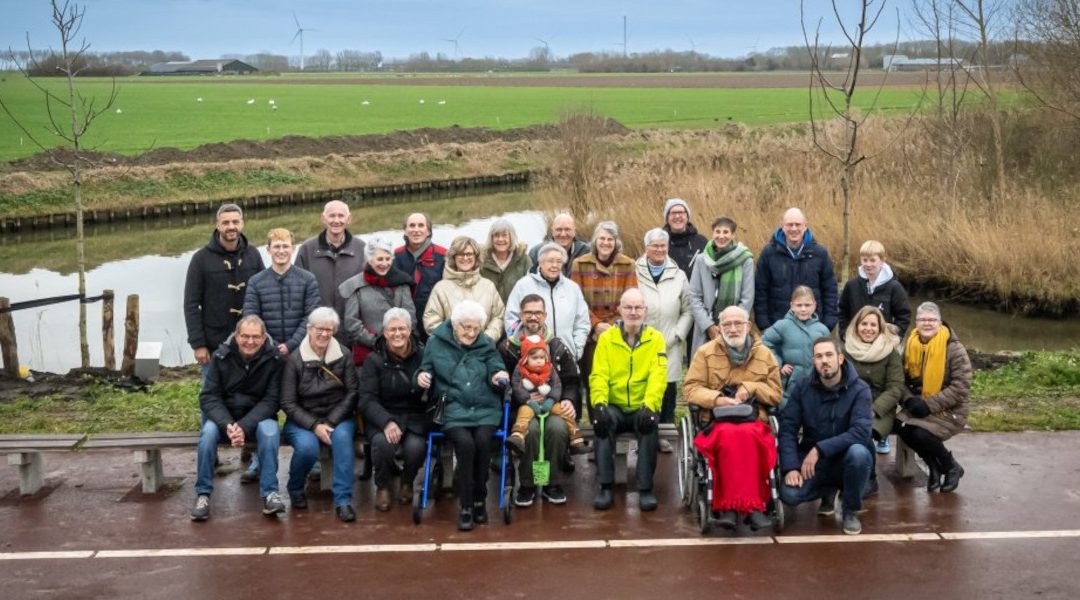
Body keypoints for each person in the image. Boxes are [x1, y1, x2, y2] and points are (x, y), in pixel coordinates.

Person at [683, 306, 782, 531]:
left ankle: (753, 507)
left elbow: (776, 394)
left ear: (748, 326)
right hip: (718, 420)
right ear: (719, 328)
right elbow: (690, 389)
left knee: (750, 436)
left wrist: (750, 387)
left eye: (738, 323)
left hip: (754, 419)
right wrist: (717, 399)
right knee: (728, 436)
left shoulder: (765, 355)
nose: (733, 328)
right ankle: (727, 506)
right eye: (727, 324)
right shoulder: (705, 352)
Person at [416, 300, 509, 531]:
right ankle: (466, 505)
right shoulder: (436, 342)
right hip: (453, 408)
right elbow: (424, 368)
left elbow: (496, 367)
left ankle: (480, 498)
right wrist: (422, 377)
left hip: (485, 407)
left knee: (483, 441)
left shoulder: (486, 343)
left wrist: (498, 375)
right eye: (466, 327)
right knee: (465, 444)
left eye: (476, 328)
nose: (471, 333)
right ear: (454, 325)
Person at [191, 315, 284, 521]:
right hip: (225, 418)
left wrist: (244, 425)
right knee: (207, 435)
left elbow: (272, 400)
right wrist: (228, 425)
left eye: (255, 337)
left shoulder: (275, 359)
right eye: (245, 336)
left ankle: (270, 493)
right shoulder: (221, 356)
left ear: (263, 337)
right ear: (236, 334)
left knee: (270, 433)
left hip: (259, 417)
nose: (250, 342)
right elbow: (208, 397)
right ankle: (203, 494)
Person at [779, 337, 874, 536]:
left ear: (840, 359)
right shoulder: (803, 388)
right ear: (813, 361)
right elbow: (787, 428)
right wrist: (790, 467)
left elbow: (861, 432)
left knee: (859, 453)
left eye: (829, 355)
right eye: (819, 356)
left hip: (845, 458)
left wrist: (820, 449)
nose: (824, 360)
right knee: (789, 494)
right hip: (813, 463)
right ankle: (827, 491)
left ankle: (850, 510)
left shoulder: (860, 390)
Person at [498, 294, 582, 507]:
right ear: (521, 315)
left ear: (545, 316)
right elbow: (502, 380)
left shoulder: (557, 346)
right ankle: (527, 484)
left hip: (552, 406)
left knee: (556, 428)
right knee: (532, 431)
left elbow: (571, 380)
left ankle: (550, 483)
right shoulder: (507, 347)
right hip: (522, 408)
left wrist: (569, 400)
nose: (533, 317)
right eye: (528, 312)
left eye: (537, 312)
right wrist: (522, 398)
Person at [590, 288, 667, 512]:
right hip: (614, 404)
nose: (633, 312)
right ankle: (605, 486)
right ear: (619, 310)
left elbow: (658, 376)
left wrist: (650, 405)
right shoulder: (606, 339)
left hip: (641, 405)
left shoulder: (656, 339)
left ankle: (645, 489)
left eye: (638, 307)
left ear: (645, 310)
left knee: (650, 427)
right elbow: (598, 375)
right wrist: (600, 405)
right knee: (601, 427)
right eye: (628, 307)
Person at [279, 307, 358, 523]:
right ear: (309, 329)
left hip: (337, 417)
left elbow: (352, 392)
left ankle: (343, 500)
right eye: (319, 329)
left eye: (329, 330)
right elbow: (287, 402)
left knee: (342, 440)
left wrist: (331, 421)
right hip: (302, 419)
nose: (324, 334)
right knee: (307, 448)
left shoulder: (344, 354)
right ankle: (295, 487)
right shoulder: (295, 360)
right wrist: (314, 425)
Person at [357, 308, 431, 512]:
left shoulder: (424, 355)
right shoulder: (373, 360)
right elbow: (367, 399)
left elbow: (435, 391)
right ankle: (382, 486)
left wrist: (427, 385)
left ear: (410, 330)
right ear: (385, 332)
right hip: (383, 415)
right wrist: (387, 422)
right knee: (382, 444)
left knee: (415, 447)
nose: (397, 334)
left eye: (402, 328)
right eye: (392, 330)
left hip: (416, 415)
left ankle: (407, 482)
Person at [897, 302, 971, 493]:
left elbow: (960, 387)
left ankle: (950, 466)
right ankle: (934, 467)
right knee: (902, 428)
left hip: (949, 409)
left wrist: (928, 405)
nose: (927, 323)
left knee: (920, 433)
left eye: (932, 320)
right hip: (919, 404)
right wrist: (908, 399)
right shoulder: (911, 345)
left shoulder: (955, 349)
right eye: (922, 319)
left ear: (940, 323)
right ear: (916, 322)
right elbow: (900, 379)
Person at [184, 203, 264, 372]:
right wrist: (198, 344)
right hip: (215, 343)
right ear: (217, 225)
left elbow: (264, 294)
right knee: (213, 394)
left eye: (235, 222)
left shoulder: (253, 255)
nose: (231, 227)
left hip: (250, 342)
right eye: (226, 222)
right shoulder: (200, 259)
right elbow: (191, 304)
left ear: (242, 223)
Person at [635, 228, 692, 453]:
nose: (659, 250)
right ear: (646, 247)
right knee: (642, 387)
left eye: (663, 246)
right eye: (654, 245)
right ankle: (644, 434)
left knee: (667, 388)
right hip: (640, 342)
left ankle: (664, 432)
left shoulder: (678, 275)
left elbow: (688, 310)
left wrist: (678, 334)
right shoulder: (635, 271)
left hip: (670, 341)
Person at [571, 221, 638, 414]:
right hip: (590, 333)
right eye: (602, 238)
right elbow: (577, 301)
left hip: (618, 330)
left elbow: (631, 300)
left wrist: (611, 326)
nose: (606, 243)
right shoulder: (580, 264)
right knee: (593, 379)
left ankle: (619, 421)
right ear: (595, 241)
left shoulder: (627, 264)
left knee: (618, 378)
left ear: (616, 242)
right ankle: (596, 421)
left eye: (610, 239)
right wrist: (596, 325)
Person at [504, 243, 591, 378]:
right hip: (532, 363)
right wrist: (524, 351)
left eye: (559, 261)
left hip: (565, 360)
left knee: (568, 395)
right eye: (550, 261)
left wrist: (576, 350)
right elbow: (512, 320)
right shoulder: (523, 285)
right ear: (540, 262)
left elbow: (582, 323)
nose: (555, 265)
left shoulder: (572, 288)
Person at [843, 306, 904, 493]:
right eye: (864, 324)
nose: (868, 328)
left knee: (863, 432)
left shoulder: (890, 351)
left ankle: (870, 477)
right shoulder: (846, 350)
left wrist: (874, 409)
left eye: (873, 325)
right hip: (850, 405)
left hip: (879, 408)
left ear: (880, 328)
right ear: (856, 326)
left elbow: (895, 388)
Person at [754, 207, 839, 332]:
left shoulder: (820, 253)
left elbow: (830, 291)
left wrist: (827, 324)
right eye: (789, 225)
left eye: (798, 224)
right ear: (782, 226)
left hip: (813, 327)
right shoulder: (769, 253)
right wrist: (764, 324)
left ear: (805, 226)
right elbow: (761, 290)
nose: (794, 229)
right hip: (778, 327)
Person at [294, 200, 367, 342]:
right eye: (332, 216)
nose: (336, 220)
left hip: (351, 331)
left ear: (349, 219)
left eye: (341, 216)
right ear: (323, 218)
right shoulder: (307, 249)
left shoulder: (362, 249)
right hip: (317, 331)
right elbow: (297, 290)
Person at [242, 228, 321, 357]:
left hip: (301, 351)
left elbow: (311, 316)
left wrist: (291, 344)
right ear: (268, 250)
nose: (281, 251)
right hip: (266, 352)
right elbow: (252, 317)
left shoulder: (308, 279)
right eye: (276, 246)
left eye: (285, 246)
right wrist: (272, 344)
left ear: (293, 248)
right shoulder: (255, 282)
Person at [339, 237, 416, 366]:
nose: (384, 263)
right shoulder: (355, 286)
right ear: (370, 260)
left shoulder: (403, 283)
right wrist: (376, 342)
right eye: (379, 259)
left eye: (388, 259)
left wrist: (398, 340)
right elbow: (351, 323)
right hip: (369, 354)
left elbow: (410, 317)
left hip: (401, 352)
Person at [506, 334, 587, 456]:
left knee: (564, 412)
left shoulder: (549, 368)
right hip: (529, 402)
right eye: (534, 358)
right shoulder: (520, 369)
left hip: (548, 401)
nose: (539, 361)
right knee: (524, 413)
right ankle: (518, 436)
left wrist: (551, 400)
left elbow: (556, 385)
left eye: (542, 357)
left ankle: (575, 439)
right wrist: (527, 400)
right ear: (526, 358)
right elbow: (517, 386)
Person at [688, 216, 754, 358]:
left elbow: (747, 298)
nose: (721, 236)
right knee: (704, 368)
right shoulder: (701, 260)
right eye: (718, 232)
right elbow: (694, 296)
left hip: (734, 329)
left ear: (733, 235)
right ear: (712, 234)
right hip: (706, 328)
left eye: (726, 232)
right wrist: (709, 326)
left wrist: (731, 325)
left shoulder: (745, 260)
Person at [423, 235, 505, 342]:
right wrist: (456, 338)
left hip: (483, 349)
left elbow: (499, 317)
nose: (465, 258)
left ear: (476, 257)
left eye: (469, 254)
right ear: (453, 257)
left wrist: (486, 338)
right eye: (461, 254)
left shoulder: (488, 286)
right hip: (451, 349)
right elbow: (431, 320)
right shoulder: (441, 288)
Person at [761, 286, 831, 407]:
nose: (803, 309)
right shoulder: (783, 325)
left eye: (807, 305)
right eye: (799, 305)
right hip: (790, 385)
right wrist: (779, 364)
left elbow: (830, 353)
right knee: (789, 416)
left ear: (814, 305)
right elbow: (763, 343)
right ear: (792, 305)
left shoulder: (822, 329)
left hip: (817, 383)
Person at [838, 240, 911, 339]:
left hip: (883, 345)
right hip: (855, 343)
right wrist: (844, 334)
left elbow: (904, 317)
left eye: (872, 260)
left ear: (882, 260)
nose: (868, 264)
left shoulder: (895, 287)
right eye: (865, 260)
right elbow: (842, 313)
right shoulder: (851, 286)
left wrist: (893, 338)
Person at [392, 212, 446, 338]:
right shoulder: (395, 256)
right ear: (405, 231)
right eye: (412, 226)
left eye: (421, 225)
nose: (416, 230)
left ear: (428, 231)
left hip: (435, 323)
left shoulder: (443, 255)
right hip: (403, 325)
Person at [480, 218, 532, 303]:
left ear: (511, 238)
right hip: (489, 313)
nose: (500, 239)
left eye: (504, 235)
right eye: (496, 236)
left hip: (517, 312)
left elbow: (531, 287)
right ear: (491, 238)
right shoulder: (482, 260)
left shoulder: (524, 260)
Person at [527, 212, 590, 278]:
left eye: (567, 229)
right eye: (559, 230)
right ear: (552, 231)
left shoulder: (585, 251)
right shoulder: (537, 251)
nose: (563, 234)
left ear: (574, 231)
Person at [661, 198, 707, 279]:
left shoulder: (701, 241)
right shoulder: (659, 243)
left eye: (681, 212)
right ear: (667, 218)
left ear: (687, 217)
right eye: (673, 213)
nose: (677, 216)